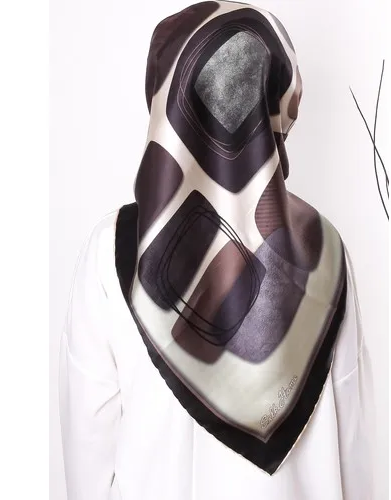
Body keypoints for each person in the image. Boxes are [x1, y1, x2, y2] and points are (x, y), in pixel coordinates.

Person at [59, 2, 374, 499]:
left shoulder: (111, 251)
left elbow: (88, 457)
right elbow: (353, 452)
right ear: (278, 99)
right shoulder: (326, 253)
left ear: (164, 94)